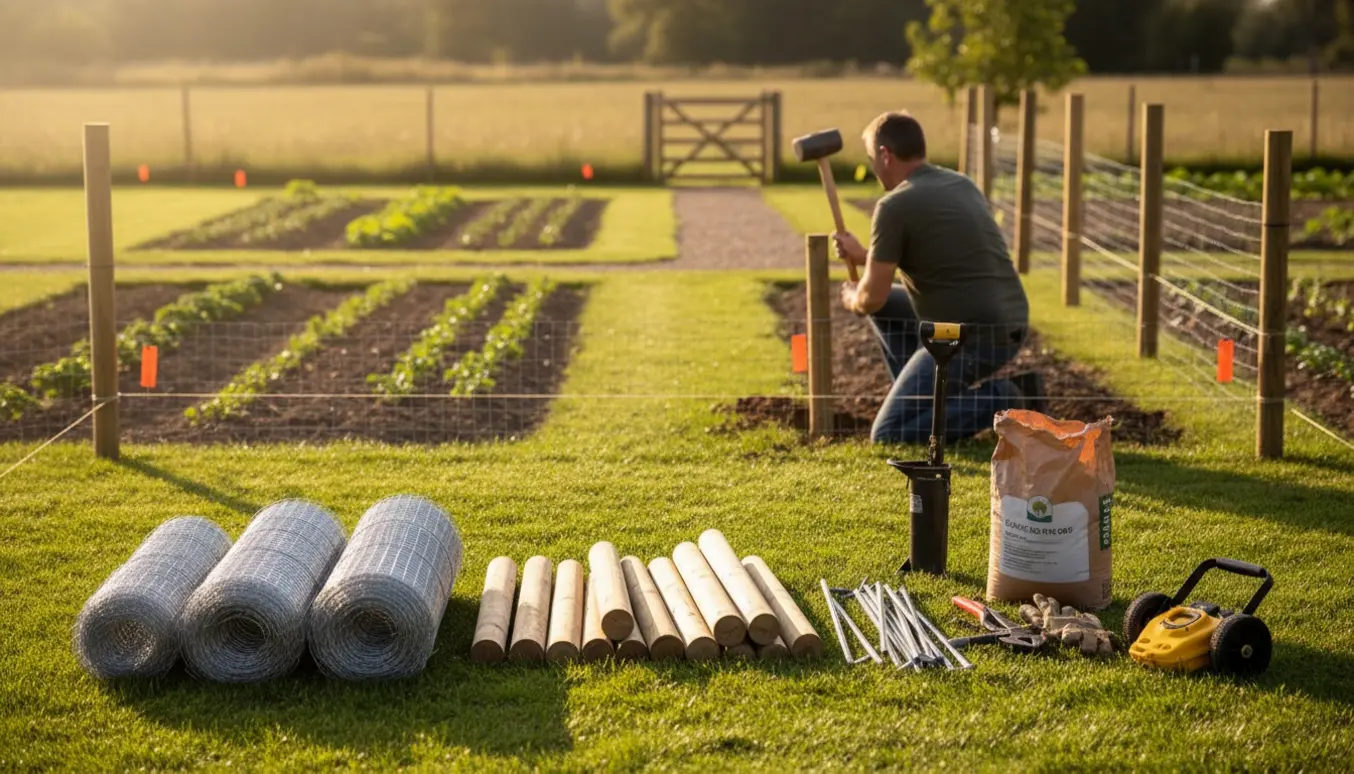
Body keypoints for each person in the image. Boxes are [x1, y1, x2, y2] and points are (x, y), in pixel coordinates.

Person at [833, 110, 1041, 444]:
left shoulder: (894, 205)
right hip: (1010, 320)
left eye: (873, 158)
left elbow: (871, 296)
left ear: (885, 155)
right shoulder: (960, 183)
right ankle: (921, 402)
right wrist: (863, 256)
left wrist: (852, 299)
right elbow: (938, 255)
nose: (874, 168)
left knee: (888, 435)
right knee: (887, 308)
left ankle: (1003, 399)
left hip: (969, 337)